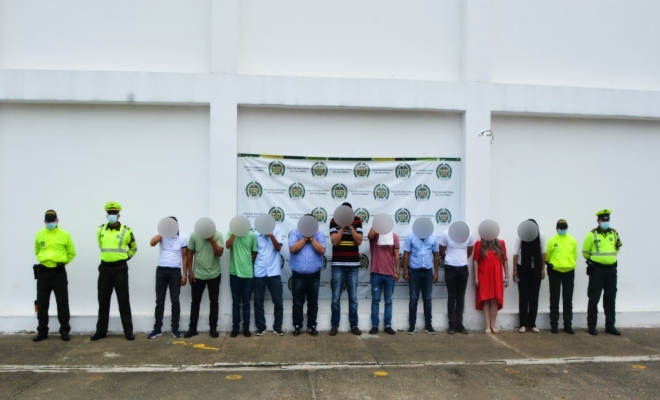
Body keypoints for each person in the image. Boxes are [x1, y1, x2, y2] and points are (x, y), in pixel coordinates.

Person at [91, 201, 137, 341]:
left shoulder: (126, 231)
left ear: (119, 215)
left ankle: (128, 331)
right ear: (107, 215)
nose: (112, 215)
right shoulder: (100, 230)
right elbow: (101, 246)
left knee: (123, 301)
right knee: (103, 301)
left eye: (114, 213)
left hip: (120, 269)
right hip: (104, 269)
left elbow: (133, 248)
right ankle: (101, 331)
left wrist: (124, 258)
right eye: (109, 213)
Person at [33, 210, 76, 342]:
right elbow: (37, 251)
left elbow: (71, 252)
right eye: (48, 221)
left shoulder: (64, 235)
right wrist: (46, 261)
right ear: (45, 221)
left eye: (52, 220)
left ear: (57, 220)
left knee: (62, 302)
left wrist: (61, 263)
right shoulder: (40, 234)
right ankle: (42, 331)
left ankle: (64, 330)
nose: (50, 222)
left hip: (58, 272)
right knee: (42, 302)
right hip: (43, 272)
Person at [583, 209, 622, 336]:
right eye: (603, 220)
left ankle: (610, 326)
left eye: (607, 219)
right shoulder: (591, 235)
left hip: (611, 270)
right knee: (594, 298)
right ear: (598, 221)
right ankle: (592, 326)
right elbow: (585, 252)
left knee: (610, 298)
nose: (605, 222)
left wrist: (610, 258)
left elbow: (618, 247)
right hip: (597, 270)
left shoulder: (614, 233)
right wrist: (596, 261)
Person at [148, 217, 188, 339]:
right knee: (159, 300)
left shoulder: (183, 237)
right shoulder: (161, 234)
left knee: (175, 299)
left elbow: (185, 257)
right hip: (161, 269)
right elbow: (152, 243)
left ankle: (175, 328)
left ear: (177, 226)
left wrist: (184, 275)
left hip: (175, 271)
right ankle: (157, 328)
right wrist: (162, 233)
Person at [329, 202, 364, 336]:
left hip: (353, 266)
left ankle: (354, 325)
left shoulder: (357, 221)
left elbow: (359, 241)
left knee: (353, 297)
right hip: (338, 265)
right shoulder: (334, 221)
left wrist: (351, 228)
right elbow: (334, 241)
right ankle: (334, 325)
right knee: (335, 297)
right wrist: (342, 228)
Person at [288, 217, 326, 336]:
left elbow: (322, 250)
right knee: (297, 302)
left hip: (314, 275)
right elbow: (293, 249)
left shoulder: (319, 234)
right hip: (298, 275)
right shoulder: (295, 232)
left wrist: (312, 238)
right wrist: (305, 238)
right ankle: (297, 326)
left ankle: (312, 325)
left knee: (313, 302)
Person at [184, 228, 224, 338]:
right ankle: (192, 328)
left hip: (214, 274)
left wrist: (212, 240)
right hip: (198, 275)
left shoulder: (217, 235)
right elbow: (189, 253)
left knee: (214, 301)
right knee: (195, 302)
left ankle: (213, 328)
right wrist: (190, 273)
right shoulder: (195, 235)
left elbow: (220, 253)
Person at [402, 229, 439, 334]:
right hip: (414, 271)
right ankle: (412, 325)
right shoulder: (411, 236)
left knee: (427, 299)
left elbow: (436, 255)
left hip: (427, 271)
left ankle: (428, 325)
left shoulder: (433, 237)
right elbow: (406, 254)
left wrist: (436, 273)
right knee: (413, 299)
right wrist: (405, 272)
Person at [513, 219, 546, 333]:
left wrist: (543, 269)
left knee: (534, 296)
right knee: (524, 296)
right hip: (523, 268)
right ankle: (523, 324)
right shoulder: (520, 235)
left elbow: (543, 252)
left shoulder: (541, 235)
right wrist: (515, 271)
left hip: (536, 268)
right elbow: (515, 253)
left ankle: (532, 324)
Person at [439, 229, 475, 334]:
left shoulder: (469, 234)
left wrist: (461, 260)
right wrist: (450, 260)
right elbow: (441, 250)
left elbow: (470, 251)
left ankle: (459, 324)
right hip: (450, 267)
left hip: (463, 268)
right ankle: (452, 324)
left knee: (460, 298)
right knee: (451, 297)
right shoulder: (446, 233)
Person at [546, 219, 578, 334]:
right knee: (554, 298)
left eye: (564, 228)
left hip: (569, 271)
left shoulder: (572, 240)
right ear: (557, 228)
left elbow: (574, 255)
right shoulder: (552, 241)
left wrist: (568, 264)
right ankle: (554, 325)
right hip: (555, 271)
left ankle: (567, 325)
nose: (563, 229)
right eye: (561, 228)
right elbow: (548, 256)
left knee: (568, 299)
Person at [367, 227, 400, 335]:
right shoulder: (375, 236)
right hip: (376, 273)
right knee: (375, 301)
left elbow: (396, 255)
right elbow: (370, 235)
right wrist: (378, 224)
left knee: (388, 301)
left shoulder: (394, 236)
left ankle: (388, 325)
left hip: (389, 275)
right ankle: (374, 325)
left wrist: (397, 271)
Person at [226, 228, 257, 338]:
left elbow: (254, 252)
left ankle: (246, 328)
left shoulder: (251, 235)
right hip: (234, 274)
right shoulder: (231, 232)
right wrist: (234, 233)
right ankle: (235, 328)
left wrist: (248, 263)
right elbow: (227, 245)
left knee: (246, 303)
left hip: (248, 275)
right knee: (235, 303)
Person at [253, 226, 284, 336]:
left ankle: (277, 327)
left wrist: (271, 235)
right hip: (259, 271)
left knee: (278, 301)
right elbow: (253, 251)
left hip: (274, 272)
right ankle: (260, 327)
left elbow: (278, 248)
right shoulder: (256, 233)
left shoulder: (277, 230)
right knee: (258, 301)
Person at [474, 237, 509, 333]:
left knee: (494, 301)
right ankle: (487, 325)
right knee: (485, 300)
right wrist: (476, 277)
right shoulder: (479, 244)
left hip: (497, 276)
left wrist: (506, 277)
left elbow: (505, 260)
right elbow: (476, 261)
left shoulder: (501, 243)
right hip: (484, 275)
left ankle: (493, 325)